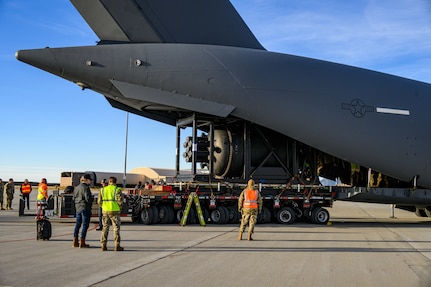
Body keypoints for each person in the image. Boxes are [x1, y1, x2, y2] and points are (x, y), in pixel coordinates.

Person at [98, 176, 124, 251]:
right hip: (115, 211)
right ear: (115, 182)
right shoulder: (117, 189)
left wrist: (103, 207)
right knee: (116, 229)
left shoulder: (102, 190)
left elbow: (99, 201)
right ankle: (117, 245)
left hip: (105, 211)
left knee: (105, 228)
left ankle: (103, 245)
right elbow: (120, 201)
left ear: (109, 182)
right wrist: (119, 208)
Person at [72, 174, 93, 248]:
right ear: (86, 180)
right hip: (85, 207)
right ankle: (82, 241)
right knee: (85, 225)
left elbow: (73, 197)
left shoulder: (77, 187)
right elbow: (88, 198)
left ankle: (75, 240)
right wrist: (91, 200)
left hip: (78, 207)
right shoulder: (86, 188)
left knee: (78, 224)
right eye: (89, 180)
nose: (90, 182)